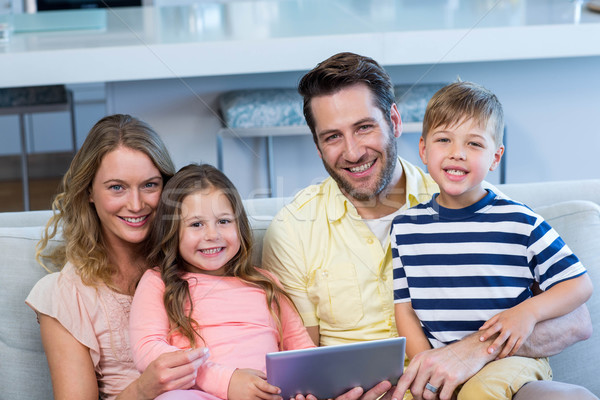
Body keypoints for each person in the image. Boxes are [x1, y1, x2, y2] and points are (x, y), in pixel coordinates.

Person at [261, 52, 594, 400]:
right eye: (332, 137)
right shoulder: (293, 229)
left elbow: (576, 320)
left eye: (364, 127)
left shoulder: (462, 192)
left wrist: (471, 351)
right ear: (317, 146)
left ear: (394, 119)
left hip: (479, 382)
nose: (353, 151)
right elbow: (301, 361)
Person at [390, 81, 593, 400]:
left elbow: (579, 286)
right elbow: (405, 310)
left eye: (474, 144)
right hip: (446, 365)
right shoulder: (405, 228)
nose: (457, 153)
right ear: (423, 149)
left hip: (512, 361)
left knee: (482, 391)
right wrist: (425, 366)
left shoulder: (520, 221)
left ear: (495, 157)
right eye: (444, 140)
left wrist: (529, 312)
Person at [25, 114, 210, 400]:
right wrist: (142, 389)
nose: (136, 205)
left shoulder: (200, 259)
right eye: (116, 187)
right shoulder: (66, 296)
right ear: (88, 191)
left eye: (150, 185)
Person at [129, 163, 316, 400]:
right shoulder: (159, 282)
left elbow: (302, 349)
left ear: (240, 225)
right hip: (199, 394)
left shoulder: (266, 284)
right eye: (196, 224)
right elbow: (148, 351)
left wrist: (309, 388)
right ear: (172, 231)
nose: (212, 235)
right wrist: (226, 381)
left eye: (224, 221)